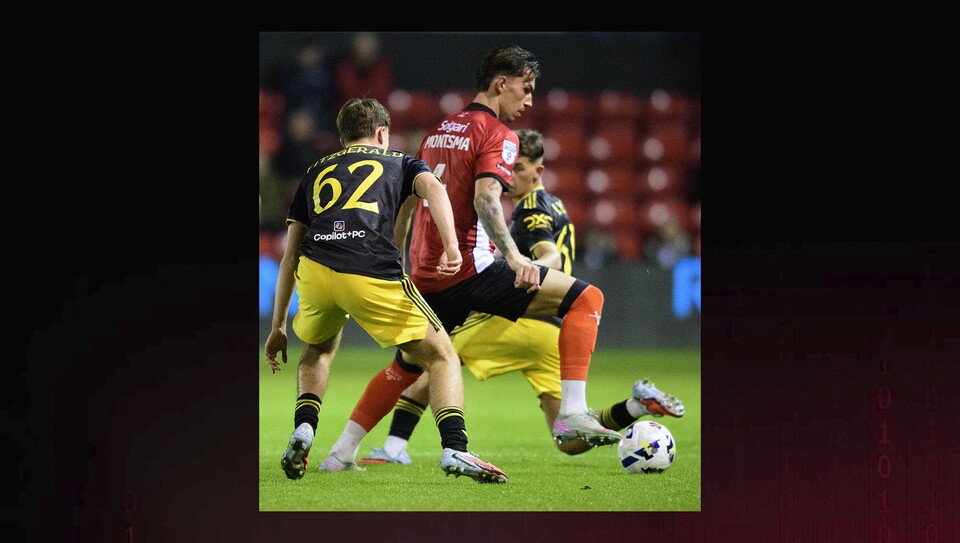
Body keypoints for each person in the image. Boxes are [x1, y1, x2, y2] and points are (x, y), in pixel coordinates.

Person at [317, 45, 624, 470]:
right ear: (502, 83)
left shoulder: (436, 131)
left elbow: (407, 205)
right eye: (527, 88)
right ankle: (572, 412)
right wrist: (514, 255)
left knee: (406, 366)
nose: (530, 99)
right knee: (587, 299)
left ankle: (340, 452)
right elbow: (486, 197)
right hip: (471, 266)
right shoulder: (499, 135)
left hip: (428, 272)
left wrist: (399, 262)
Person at [359, 130, 685, 463]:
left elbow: (551, 257)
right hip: (556, 331)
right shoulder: (554, 204)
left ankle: (393, 448)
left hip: (521, 319)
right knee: (567, 438)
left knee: (436, 360)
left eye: (515, 169)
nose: (506, 176)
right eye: (506, 169)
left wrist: (524, 269)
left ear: (535, 171)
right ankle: (637, 405)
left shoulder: (530, 207)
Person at [264, 97, 508, 484]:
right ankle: (455, 448)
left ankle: (305, 426)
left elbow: (289, 257)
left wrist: (277, 326)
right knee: (442, 355)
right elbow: (435, 189)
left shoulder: (314, 170)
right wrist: (449, 246)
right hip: (369, 269)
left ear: (343, 137)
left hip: (316, 270)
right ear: (382, 133)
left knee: (319, 348)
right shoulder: (400, 161)